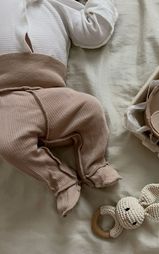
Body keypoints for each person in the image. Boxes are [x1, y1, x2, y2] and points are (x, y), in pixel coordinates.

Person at [0, 0, 121, 216]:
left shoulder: (59, 5)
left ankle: (94, 165)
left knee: (91, 108)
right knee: (9, 142)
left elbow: (94, 31)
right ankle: (60, 180)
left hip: (54, 93)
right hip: (7, 98)